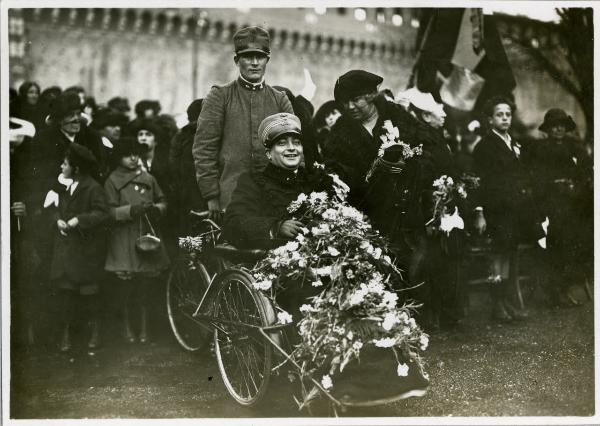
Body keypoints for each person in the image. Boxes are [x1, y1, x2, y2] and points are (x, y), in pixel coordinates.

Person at [223, 112, 334, 316]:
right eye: (282, 143)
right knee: (308, 293)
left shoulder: (316, 179)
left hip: (323, 258)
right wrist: (276, 226)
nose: (291, 148)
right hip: (281, 267)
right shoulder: (254, 182)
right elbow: (234, 222)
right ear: (268, 153)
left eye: (296, 143)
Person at [193, 26, 294, 220]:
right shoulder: (219, 97)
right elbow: (204, 149)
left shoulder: (280, 100)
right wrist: (211, 195)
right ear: (237, 60)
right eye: (248, 57)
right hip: (231, 197)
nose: (255, 63)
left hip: (274, 198)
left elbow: (295, 150)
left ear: (267, 60)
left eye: (260, 57)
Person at [472, 96, 537, 322]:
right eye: (499, 114)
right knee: (497, 256)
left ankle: (507, 301)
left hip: (513, 210)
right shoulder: (484, 147)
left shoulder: (514, 143)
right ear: (490, 119)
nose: (505, 118)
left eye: (508, 114)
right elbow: (478, 182)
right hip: (496, 210)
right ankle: (497, 304)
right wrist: (479, 212)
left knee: (508, 253)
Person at [104, 137, 170, 344]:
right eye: (127, 155)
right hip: (124, 238)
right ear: (118, 158)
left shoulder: (148, 178)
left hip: (147, 236)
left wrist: (157, 209)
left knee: (145, 288)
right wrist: (130, 210)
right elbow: (107, 211)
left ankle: (144, 329)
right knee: (125, 290)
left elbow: (162, 199)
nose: (133, 158)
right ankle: (126, 329)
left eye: (136, 154)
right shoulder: (112, 180)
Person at [322, 70, 418, 210]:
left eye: (355, 100)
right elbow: (335, 173)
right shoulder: (339, 133)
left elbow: (425, 152)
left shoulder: (399, 117)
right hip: (365, 211)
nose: (350, 107)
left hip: (405, 209)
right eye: (345, 102)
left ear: (371, 95)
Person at [529, 108, 592, 306]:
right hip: (549, 202)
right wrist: (553, 186)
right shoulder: (540, 149)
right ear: (547, 129)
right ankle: (555, 290)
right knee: (557, 240)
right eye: (554, 126)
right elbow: (536, 178)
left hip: (573, 201)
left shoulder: (575, 147)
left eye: (562, 125)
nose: (558, 129)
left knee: (577, 238)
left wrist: (575, 186)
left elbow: (585, 172)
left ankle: (567, 285)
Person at [49, 144, 109, 352]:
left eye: (65, 163)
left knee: (89, 294)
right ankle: (66, 335)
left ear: (76, 168)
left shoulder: (92, 187)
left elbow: (102, 213)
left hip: (86, 251)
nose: (61, 166)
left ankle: (95, 332)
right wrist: (57, 220)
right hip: (67, 250)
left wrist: (78, 220)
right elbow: (53, 208)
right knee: (66, 293)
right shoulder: (63, 186)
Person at [169, 99, 206, 235]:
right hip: (203, 201)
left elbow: (175, 170)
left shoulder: (180, 137)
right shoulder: (204, 136)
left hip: (185, 200)